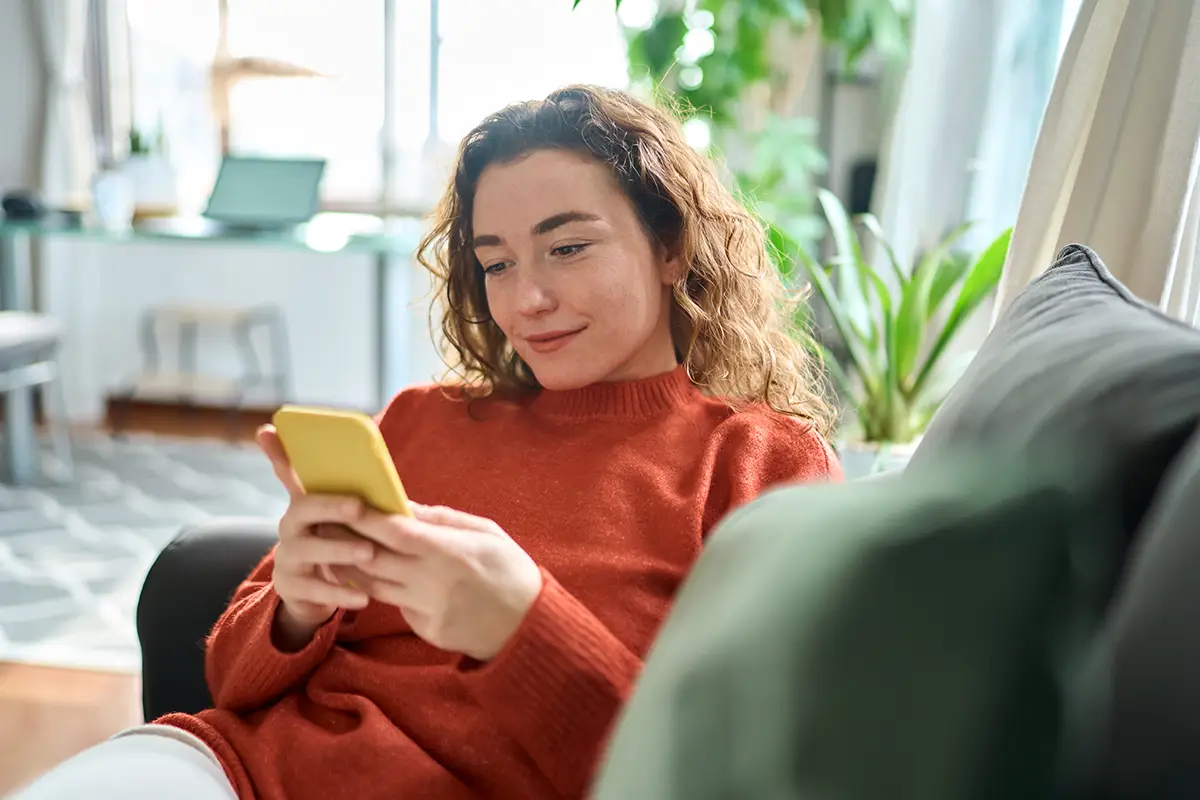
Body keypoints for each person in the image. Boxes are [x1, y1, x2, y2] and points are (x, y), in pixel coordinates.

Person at [15, 84, 841, 800]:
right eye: (497, 263)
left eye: (567, 247)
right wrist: (295, 606)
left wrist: (525, 629)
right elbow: (228, 682)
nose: (530, 299)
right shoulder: (420, 419)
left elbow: (732, 776)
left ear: (671, 246)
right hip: (238, 774)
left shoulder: (759, 465)